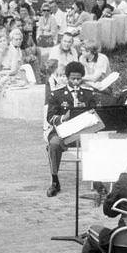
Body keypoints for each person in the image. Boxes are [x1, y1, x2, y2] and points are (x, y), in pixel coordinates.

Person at [45, 62, 97, 198]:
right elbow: (50, 117)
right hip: (64, 133)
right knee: (54, 144)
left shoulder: (88, 94)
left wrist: (86, 110)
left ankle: (97, 180)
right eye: (73, 78)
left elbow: (97, 115)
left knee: (98, 142)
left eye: (79, 79)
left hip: (84, 133)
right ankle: (55, 180)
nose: (75, 82)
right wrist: (64, 117)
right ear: (67, 77)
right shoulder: (57, 94)